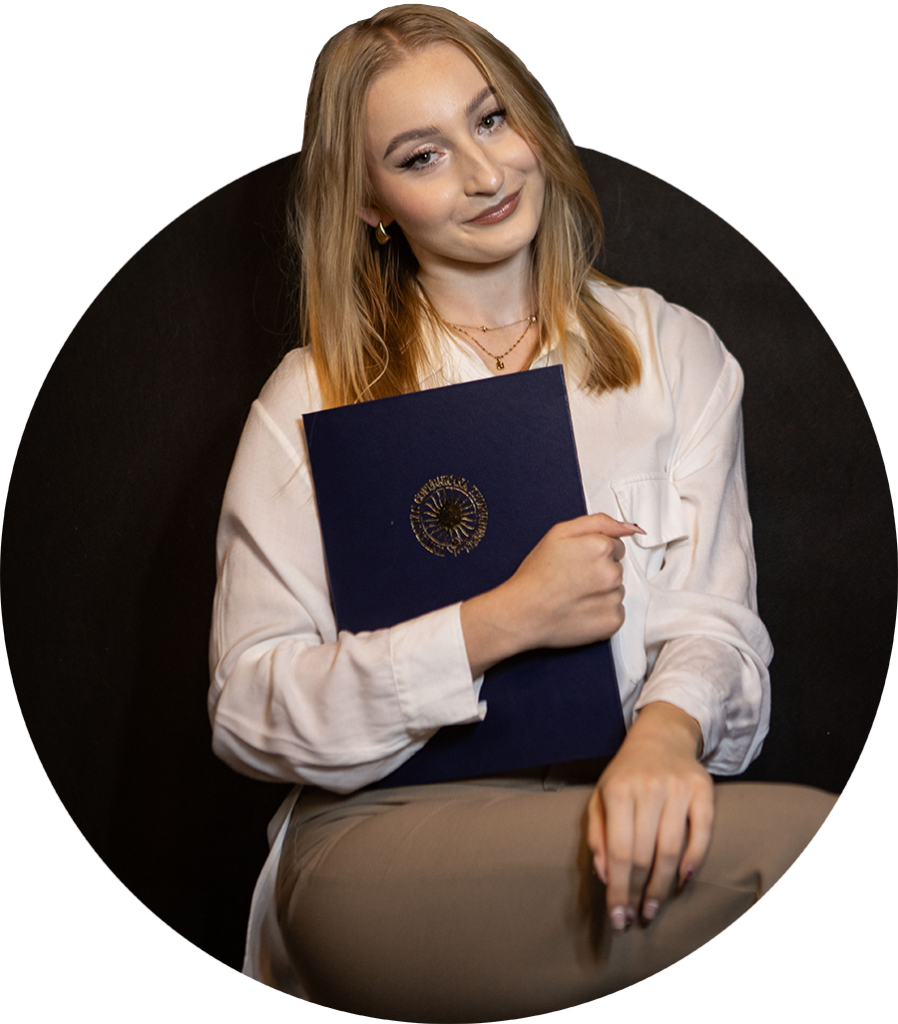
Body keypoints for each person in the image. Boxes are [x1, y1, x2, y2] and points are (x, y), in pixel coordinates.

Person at [208, 5, 839, 1021]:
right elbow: (246, 708)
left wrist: (664, 738)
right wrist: (502, 621)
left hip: (608, 798)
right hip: (376, 837)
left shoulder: (671, 351)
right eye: (422, 155)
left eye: (491, 119)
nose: (483, 173)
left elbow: (716, 620)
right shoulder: (311, 395)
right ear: (369, 201)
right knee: (796, 840)